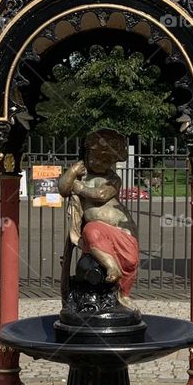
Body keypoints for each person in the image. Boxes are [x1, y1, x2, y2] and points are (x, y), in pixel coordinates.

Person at [59, 128, 139, 306]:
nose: (103, 163)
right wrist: (71, 172)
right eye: (99, 157)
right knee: (91, 230)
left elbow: (101, 194)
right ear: (87, 155)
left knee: (131, 261)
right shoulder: (81, 175)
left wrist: (78, 188)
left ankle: (124, 295)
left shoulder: (113, 179)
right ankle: (111, 264)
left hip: (123, 230)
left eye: (108, 160)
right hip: (97, 232)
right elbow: (63, 189)